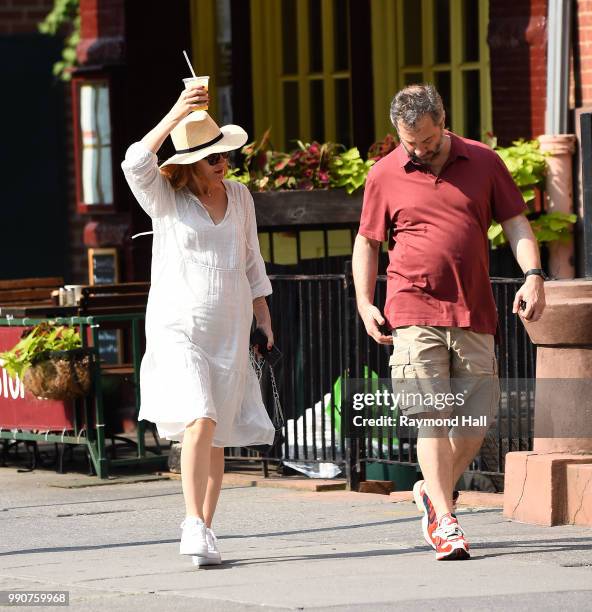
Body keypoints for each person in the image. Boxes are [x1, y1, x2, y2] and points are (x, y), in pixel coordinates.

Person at [352, 84, 546, 560]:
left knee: (476, 419)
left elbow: (517, 221)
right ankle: (445, 518)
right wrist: (363, 300)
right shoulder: (385, 173)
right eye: (408, 142)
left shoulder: (483, 161)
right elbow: (368, 241)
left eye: (426, 141)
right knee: (432, 415)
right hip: (412, 306)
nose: (417, 150)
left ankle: (431, 491)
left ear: (443, 121)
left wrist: (534, 275)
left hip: (473, 308)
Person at [121, 84, 276, 567]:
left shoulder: (241, 197)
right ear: (190, 163)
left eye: (224, 156)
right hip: (178, 325)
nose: (222, 164)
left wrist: (264, 317)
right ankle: (191, 522)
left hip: (229, 326)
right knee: (200, 416)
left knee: (216, 432)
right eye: (212, 159)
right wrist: (175, 113)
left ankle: (205, 528)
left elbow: (252, 260)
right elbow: (134, 163)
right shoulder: (165, 199)